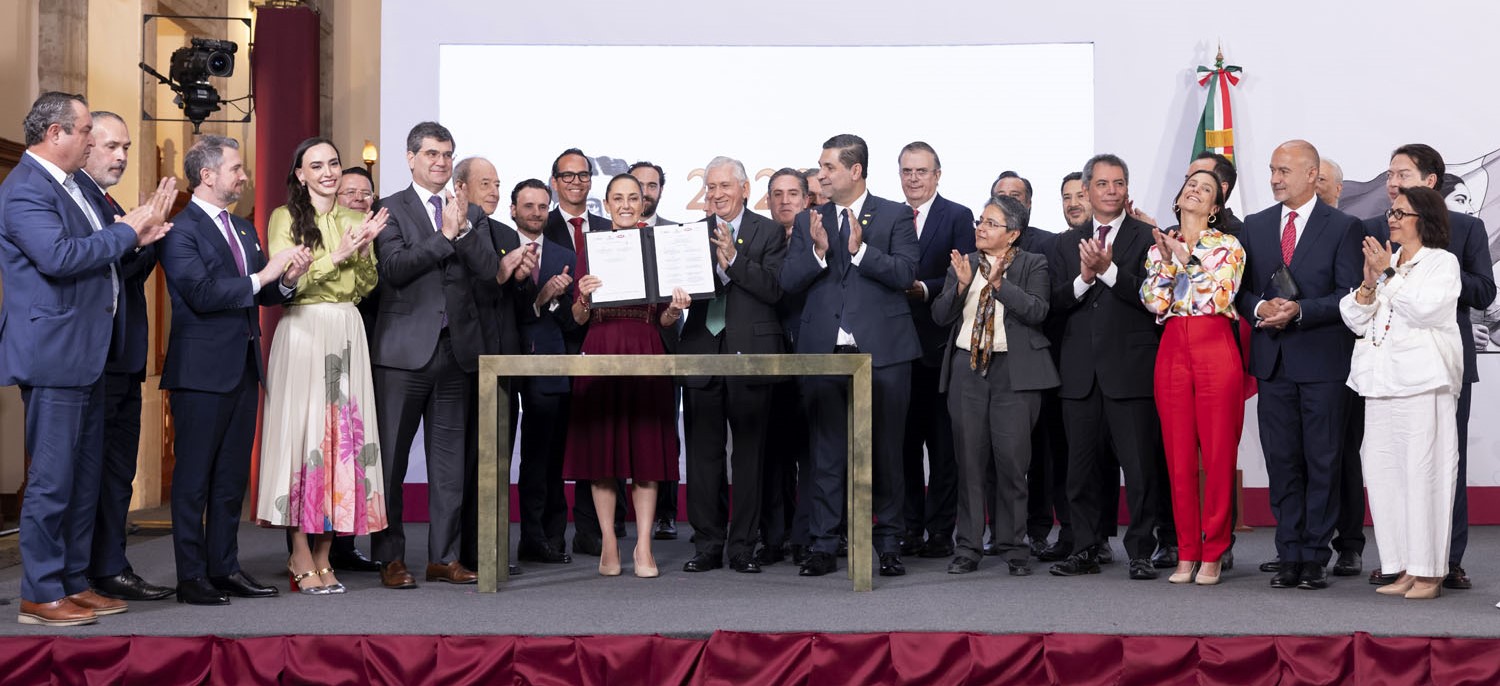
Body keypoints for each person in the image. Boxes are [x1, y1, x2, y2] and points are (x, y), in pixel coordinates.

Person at [1, 93, 173, 625]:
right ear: (55, 134)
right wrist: (130, 230)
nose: (91, 141)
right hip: (55, 356)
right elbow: (59, 257)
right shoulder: (25, 189)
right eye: (84, 131)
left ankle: (72, 581)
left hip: (87, 355)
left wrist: (133, 233)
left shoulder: (70, 186)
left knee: (81, 480)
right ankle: (39, 591)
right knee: (53, 481)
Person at [161, 134, 312, 605]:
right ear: (207, 176)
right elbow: (202, 294)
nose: (244, 176)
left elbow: (260, 293)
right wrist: (265, 276)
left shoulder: (243, 229)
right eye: (236, 168)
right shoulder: (180, 230)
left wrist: (285, 281)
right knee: (193, 482)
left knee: (229, 480)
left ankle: (225, 567)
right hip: (199, 374)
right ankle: (192, 577)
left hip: (245, 368)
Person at [369, 122, 519, 589]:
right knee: (391, 463)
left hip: (457, 353)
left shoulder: (468, 209)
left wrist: (463, 225)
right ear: (411, 158)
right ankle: (391, 558)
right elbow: (394, 268)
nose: (440, 161)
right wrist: (442, 236)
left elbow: (489, 269)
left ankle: (444, 556)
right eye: (431, 154)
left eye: (447, 154)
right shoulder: (390, 208)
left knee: (450, 464)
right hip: (402, 353)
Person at [255, 137, 391, 595]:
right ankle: (298, 550)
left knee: (342, 441)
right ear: (301, 174)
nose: (329, 172)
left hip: (347, 327)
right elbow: (286, 277)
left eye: (333, 162)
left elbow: (366, 285)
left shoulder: (356, 217)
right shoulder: (284, 218)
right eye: (317, 165)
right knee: (304, 437)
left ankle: (326, 554)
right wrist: (337, 257)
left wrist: (367, 250)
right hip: (304, 330)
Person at [780, 133, 920, 578]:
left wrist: (860, 251)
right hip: (823, 351)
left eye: (828, 168)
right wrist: (819, 254)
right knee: (826, 452)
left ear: (855, 170)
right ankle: (823, 543)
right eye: (820, 168)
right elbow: (787, 281)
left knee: (886, 452)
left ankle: (889, 542)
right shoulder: (809, 222)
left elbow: (906, 273)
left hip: (884, 352)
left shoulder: (896, 215)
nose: (820, 175)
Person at [1361, 145, 1494, 591]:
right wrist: (1381, 278)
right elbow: (1363, 304)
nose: (1392, 184)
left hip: (1437, 362)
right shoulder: (1385, 243)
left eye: (1402, 174)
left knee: (1436, 466)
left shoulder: (1462, 235)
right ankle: (1403, 561)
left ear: (1430, 182)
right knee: (1389, 467)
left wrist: (1419, 277)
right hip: (1389, 366)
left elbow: (1480, 291)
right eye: (1389, 175)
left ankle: (1442, 562)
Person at [1236, 140, 1363, 591]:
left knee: (1323, 461)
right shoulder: (1256, 225)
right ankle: (1288, 550)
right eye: (1272, 170)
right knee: (1282, 461)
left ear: (1312, 174)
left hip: (1324, 362)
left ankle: (1314, 555)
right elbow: (1239, 291)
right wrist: (1259, 308)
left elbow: (1350, 296)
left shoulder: (1343, 227)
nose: (1274, 178)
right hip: (1273, 364)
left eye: (1284, 171)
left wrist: (1301, 311)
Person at [1048, 154, 1168, 581]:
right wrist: (1084, 278)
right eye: (1102, 184)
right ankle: (1084, 548)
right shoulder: (1066, 242)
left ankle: (1140, 551)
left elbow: (1155, 298)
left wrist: (1109, 271)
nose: (1111, 190)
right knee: (1079, 472)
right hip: (1079, 374)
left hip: (1130, 369)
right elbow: (1053, 303)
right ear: (1088, 190)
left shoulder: (1147, 237)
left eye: (1119, 182)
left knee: (1139, 471)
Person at [1340, 185, 1462, 600]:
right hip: (1379, 383)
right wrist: (1370, 283)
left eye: (1400, 213)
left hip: (1421, 383)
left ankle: (1430, 571)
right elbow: (1354, 318)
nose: (1391, 218)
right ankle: (1403, 566)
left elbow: (1427, 310)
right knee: (1384, 474)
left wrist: (1387, 276)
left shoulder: (1441, 263)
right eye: (1391, 212)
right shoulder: (1386, 262)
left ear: (1423, 220)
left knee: (1424, 475)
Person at [563, 173, 688, 578]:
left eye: (633, 197)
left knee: (646, 453)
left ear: (644, 202)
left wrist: (675, 308)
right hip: (599, 346)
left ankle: (645, 546)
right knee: (603, 454)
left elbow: (666, 318)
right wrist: (582, 295)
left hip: (647, 346)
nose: (626, 204)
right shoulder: (591, 245)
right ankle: (610, 543)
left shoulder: (659, 245)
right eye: (617, 197)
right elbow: (578, 316)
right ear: (607, 203)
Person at [72, 110, 174, 602]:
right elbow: (95, 264)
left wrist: (146, 232)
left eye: (127, 148)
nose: (122, 156)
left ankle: (109, 566)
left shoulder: (109, 202)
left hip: (124, 359)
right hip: (93, 359)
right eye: (113, 146)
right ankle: (85, 573)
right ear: (84, 146)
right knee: (88, 474)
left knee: (117, 474)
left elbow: (127, 270)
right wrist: (140, 230)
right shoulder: (77, 200)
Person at [932, 195, 1057, 575]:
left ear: (1013, 233)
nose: (980, 229)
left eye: (990, 223)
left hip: (1014, 374)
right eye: (980, 221)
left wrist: (999, 283)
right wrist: (959, 288)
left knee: (1012, 463)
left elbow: (1038, 310)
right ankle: (967, 547)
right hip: (967, 369)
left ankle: (1013, 548)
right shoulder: (964, 264)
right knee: (969, 462)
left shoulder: (1034, 263)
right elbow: (939, 316)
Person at [676, 157, 785, 575]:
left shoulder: (771, 231)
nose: (717, 194)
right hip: (701, 348)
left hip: (750, 353)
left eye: (725, 186)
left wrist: (734, 261)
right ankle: (707, 545)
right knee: (703, 456)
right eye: (711, 187)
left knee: (749, 456)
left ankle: (743, 547)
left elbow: (775, 289)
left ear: (743, 188)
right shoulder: (688, 235)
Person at [1140, 169, 1246, 586]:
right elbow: (1154, 302)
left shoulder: (1228, 246)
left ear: (1215, 207)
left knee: (1219, 454)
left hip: (1214, 342)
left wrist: (1190, 260)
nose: (1195, 191)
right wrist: (1167, 262)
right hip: (1172, 345)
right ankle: (1186, 551)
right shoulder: (1159, 246)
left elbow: (1220, 296)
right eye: (1190, 186)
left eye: (1206, 189)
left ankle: (1214, 550)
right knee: (1178, 456)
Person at [542, 147, 624, 556]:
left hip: (607, 341)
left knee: (601, 439)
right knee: (556, 443)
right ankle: (552, 536)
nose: (576, 182)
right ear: (555, 181)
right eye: (567, 176)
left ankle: (596, 534)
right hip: (558, 341)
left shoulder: (614, 228)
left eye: (583, 175)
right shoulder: (543, 222)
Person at [898, 142, 975, 560]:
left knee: (943, 450)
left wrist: (925, 289)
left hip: (940, 349)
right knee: (903, 448)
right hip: (896, 351)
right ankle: (910, 529)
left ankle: (941, 532)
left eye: (921, 171)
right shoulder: (888, 216)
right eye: (907, 171)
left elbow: (966, 276)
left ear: (938, 174)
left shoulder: (958, 216)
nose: (914, 179)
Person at [511, 178, 577, 564]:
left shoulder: (561, 253)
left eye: (542, 207)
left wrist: (555, 302)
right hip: (503, 356)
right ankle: (521, 537)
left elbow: (572, 322)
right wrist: (538, 299)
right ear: (513, 209)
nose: (536, 213)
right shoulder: (498, 244)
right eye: (528, 206)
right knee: (517, 456)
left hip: (550, 359)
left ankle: (546, 538)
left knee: (547, 456)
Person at [761, 168, 812, 565]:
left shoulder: (820, 238)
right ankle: (774, 537)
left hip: (814, 354)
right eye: (777, 194)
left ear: (807, 199)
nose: (785, 201)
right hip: (771, 355)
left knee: (813, 453)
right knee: (774, 455)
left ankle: (807, 536)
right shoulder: (760, 239)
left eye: (793, 193)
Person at [1185, 152, 1244, 236]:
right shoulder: (1171, 233)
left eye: (1201, 179)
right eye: (1188, 180)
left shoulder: (1240, 234)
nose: (1190, 188)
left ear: (1221, 189)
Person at [630, 160, 677, 226]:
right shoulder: (610, 232)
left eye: (652, 186)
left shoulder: (677, 231)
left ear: (660, 191)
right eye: (639, 185)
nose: (645, 193)